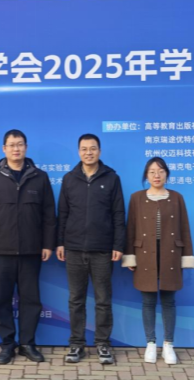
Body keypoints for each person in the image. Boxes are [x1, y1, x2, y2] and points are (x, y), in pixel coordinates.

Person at [0, 129, 57, 365]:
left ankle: (27, 344)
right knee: (1, 300)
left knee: (31, 300)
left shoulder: (39, 177)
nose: (16, 149)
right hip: (0, 250)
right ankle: (7, 345)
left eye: (20, 144)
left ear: (26, 147)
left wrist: (48, 244)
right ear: (4, 149)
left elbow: (49, 214)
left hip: (31, 250)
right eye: (11, 145)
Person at [56, 134, 125, 364]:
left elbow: (118, 214)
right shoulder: (69, 179)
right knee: (76, 300)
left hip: (102, 249)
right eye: (84, 149)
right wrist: (60, 242)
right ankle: (76, 344)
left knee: (103, 300)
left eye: (93, 148)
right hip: (74, 249)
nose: (88, 153)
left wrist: (118, 245)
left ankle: (103, 344)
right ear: (79, 152)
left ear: (99, 151)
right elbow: (62, 214)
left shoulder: (112, 178)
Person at [122, 157, 194, 365]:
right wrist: (130, 255)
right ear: (146, 175)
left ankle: (169, 345)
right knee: (148, 301)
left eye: (161, 171)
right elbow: (130, 229)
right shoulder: (136, 198)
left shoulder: (177, 198)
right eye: (152, 171)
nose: (157, 175)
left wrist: (186, 256)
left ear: (167, 174)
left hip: (170, 254)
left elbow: (185, 228)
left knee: (168, 301)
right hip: (145, 254)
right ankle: (151, 344)